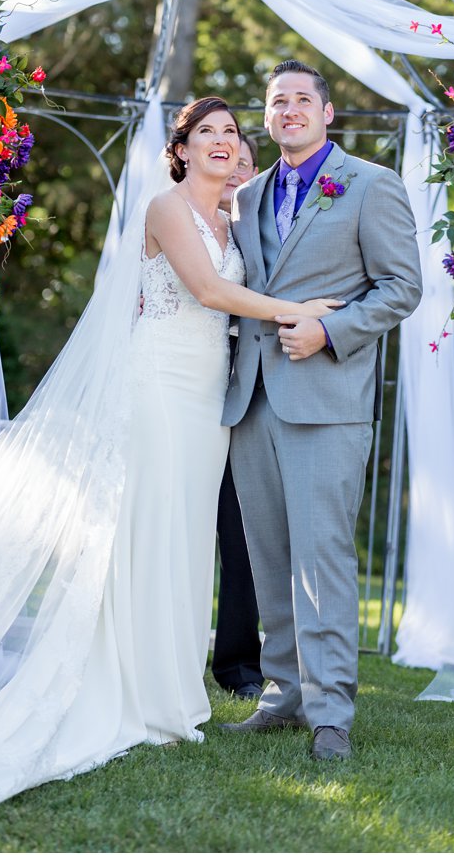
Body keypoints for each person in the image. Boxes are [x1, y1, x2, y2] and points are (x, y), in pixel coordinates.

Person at [0, 97, 342, 837]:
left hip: (206, 401)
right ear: (182, 149)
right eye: (208, 134)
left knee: (187, 537)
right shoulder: (166, 209)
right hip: (159, 384)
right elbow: (209, 291)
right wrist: (297, 310)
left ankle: (174, 691)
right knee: (148, 529)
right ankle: (134, 691)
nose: (223, 142)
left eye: (231, 132)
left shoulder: (233, 221)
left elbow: (239, 286)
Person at [216, 60, 423, 761]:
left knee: (323, 556)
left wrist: (329, 331)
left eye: (303, 98)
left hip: (327, 399)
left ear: (327, 112)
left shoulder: (371, 185)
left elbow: (400, 286)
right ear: (269, 117)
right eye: (278, 101)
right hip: (251, 400)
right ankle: (282, 691)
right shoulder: (244, 196)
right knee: (268, 555)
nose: (290, 109)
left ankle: (331, 708)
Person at [209, 138, 264, 701]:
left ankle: (239, 664)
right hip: (185, 380)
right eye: (231, 163)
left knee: (241, 529)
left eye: (247, 166)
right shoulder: (179, 216)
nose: (237, 173)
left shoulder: (257, 234)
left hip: (245, 390)